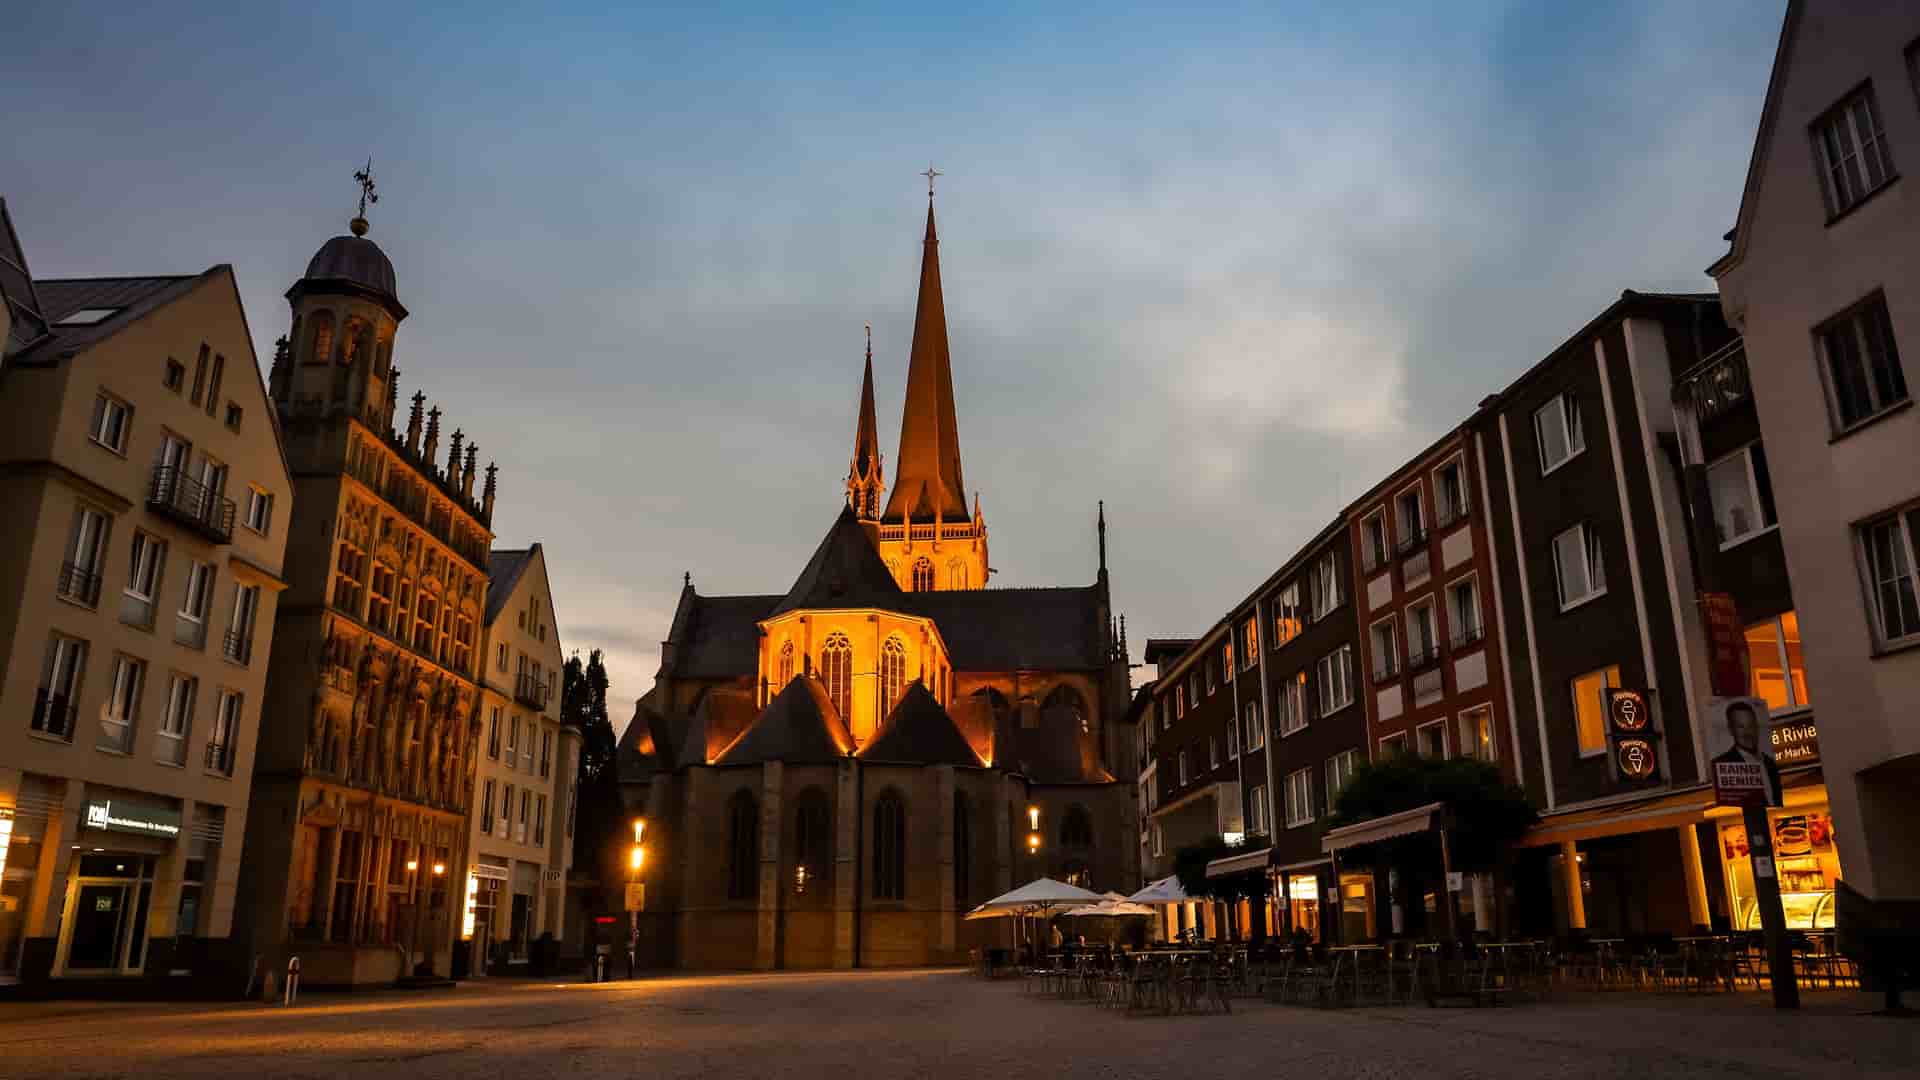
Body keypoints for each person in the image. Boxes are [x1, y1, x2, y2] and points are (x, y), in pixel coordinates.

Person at [1713, 700, 1781, 807]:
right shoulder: (1721, 763)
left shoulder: (1770, 763)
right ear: (1731, 729)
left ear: (1757, 727)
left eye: (1751, 726)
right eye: (1740, 727)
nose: (1747, 732)